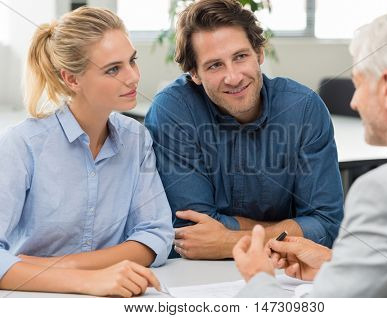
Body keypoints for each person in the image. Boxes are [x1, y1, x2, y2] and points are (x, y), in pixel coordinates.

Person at [233, 10, 387, 297]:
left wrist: (259, 278)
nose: (354, 101)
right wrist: (335, 265)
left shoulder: (386, 193)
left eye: (358, 84)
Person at [145, 0, 343, 260]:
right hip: (195, 278)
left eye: (240, 57)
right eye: (215, 65)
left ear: (259, 53)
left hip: (285, 274)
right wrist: (291, 227)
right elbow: (193, 233)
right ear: (194, 73)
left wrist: (230, 241)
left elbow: (326, 224)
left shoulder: (303, 108)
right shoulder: (174, 109)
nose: (234, 77)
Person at [0, 7, 174, 297]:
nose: (132, 77)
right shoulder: (23, 145)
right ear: (72, 79)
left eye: (132, 61)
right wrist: (89, 281)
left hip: (116, 297)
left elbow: (154, 235)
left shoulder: (136, 139)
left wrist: (63, 266)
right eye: (113, 69)